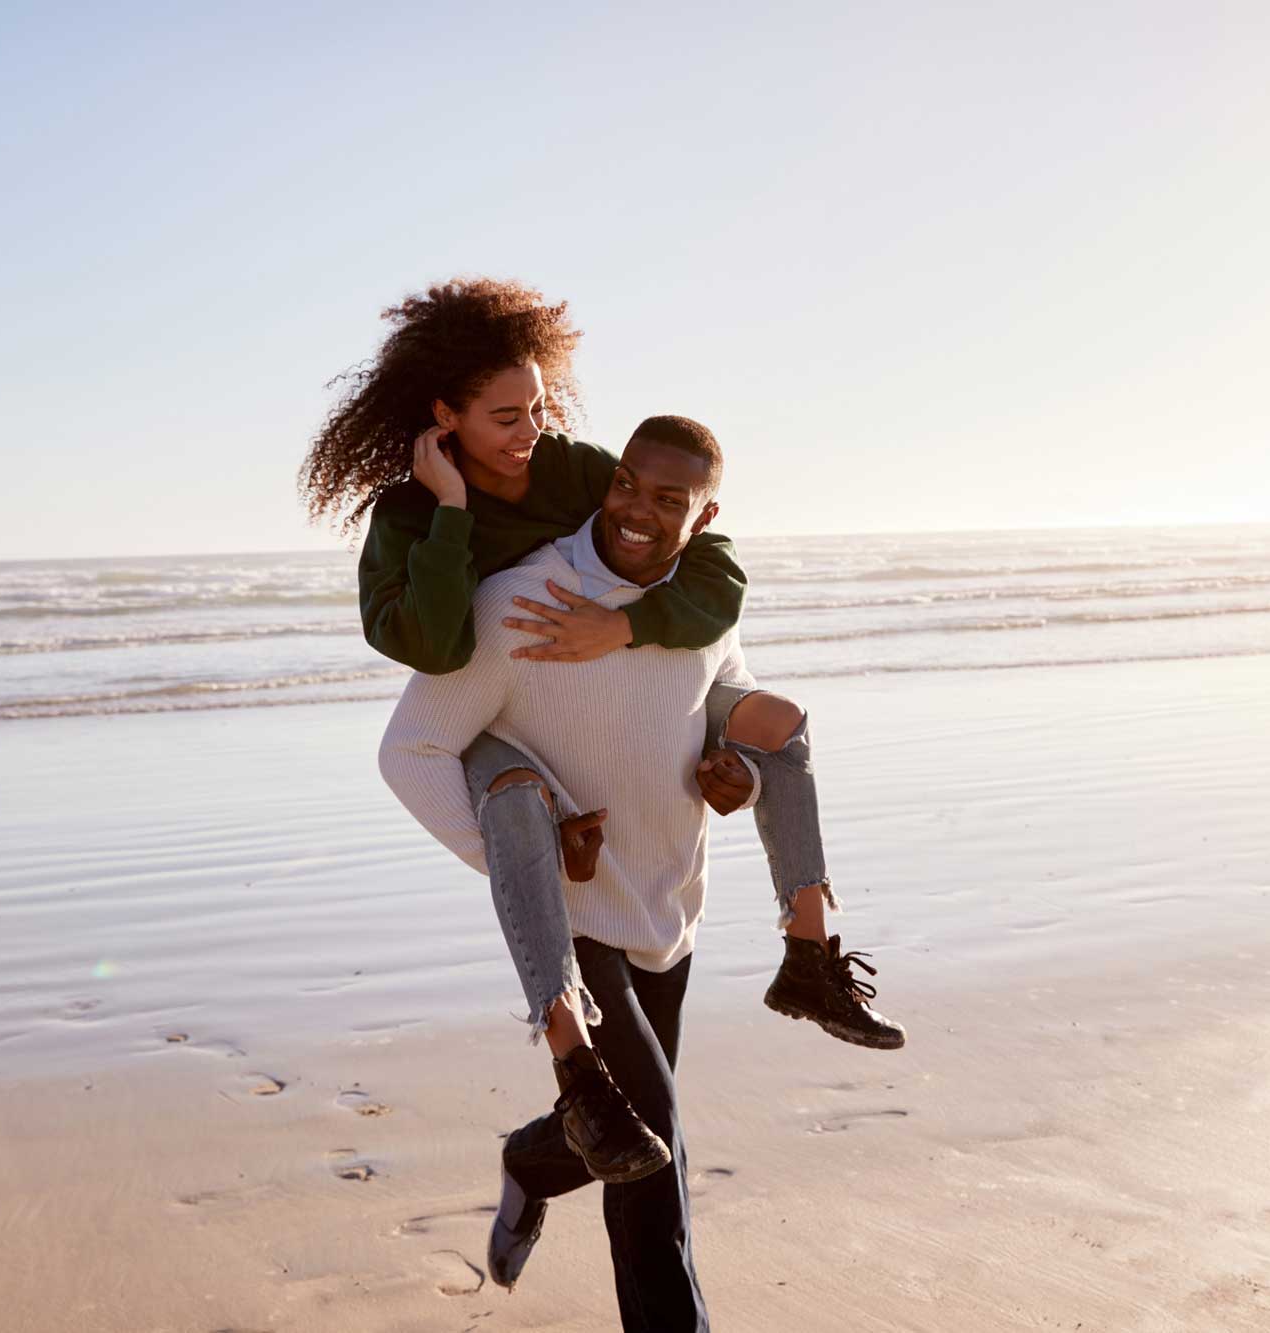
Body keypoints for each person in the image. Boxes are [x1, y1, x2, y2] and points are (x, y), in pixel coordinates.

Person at [301, 279, 902, 1187]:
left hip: (604, 756)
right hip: (485, 721)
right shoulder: (409, 516)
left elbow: (706, 559)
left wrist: (630, 637)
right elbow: (431, 643)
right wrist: (454, 508)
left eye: (538, 407)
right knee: (646, 1122)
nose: (529, 431)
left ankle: (805, 951)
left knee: (783, 728)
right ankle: (569, 1071)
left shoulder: (579, 471)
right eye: (504, 415)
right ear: (443, 417)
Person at [380, 419, 897, 1329]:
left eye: (670, 500)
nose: (638, 511)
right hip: (580, 920)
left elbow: (716, 694)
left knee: (620, 1134)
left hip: (670, 907)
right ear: (608, 480)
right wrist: (518, 864)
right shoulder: (520, 605)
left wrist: (730, 771)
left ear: (705, 517)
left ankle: (535, 1161)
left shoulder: (699, 604)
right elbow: (412, 749)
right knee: (656, 1153)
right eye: (628, 484)